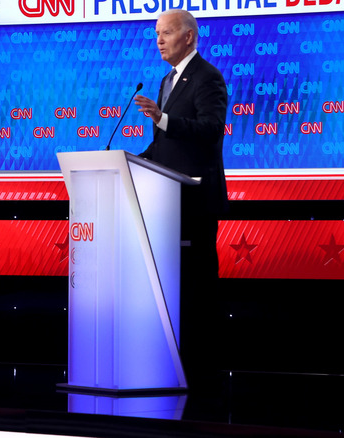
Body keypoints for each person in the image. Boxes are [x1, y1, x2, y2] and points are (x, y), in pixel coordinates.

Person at [133, 10, 228, 379]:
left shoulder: (207, 77)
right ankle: (176, 363)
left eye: (166, 33)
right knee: (173, 287)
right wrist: (126, 161)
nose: (159, 40)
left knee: (198, 286)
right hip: (167, 204)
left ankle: (207, 368)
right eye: (156, 33)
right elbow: (164, 146)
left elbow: (211, 128)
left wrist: (164, 119)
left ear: (188, 37)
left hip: (195, 201)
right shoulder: (166, 80)